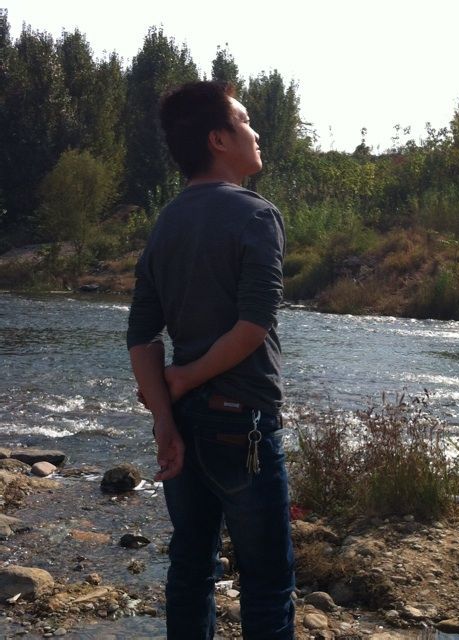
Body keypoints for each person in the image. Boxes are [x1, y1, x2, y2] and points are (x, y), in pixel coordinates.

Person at [126, 80, 295, 640]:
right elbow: (253, 327)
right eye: (245, 121)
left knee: (191, 568)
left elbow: (141, 335)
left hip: (186, 422)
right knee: (267, 584)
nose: (256, 132)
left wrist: (164, 418)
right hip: (242, 424)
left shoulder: (166, 221)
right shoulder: (257, 216)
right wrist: (183, 378)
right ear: (218, 140)